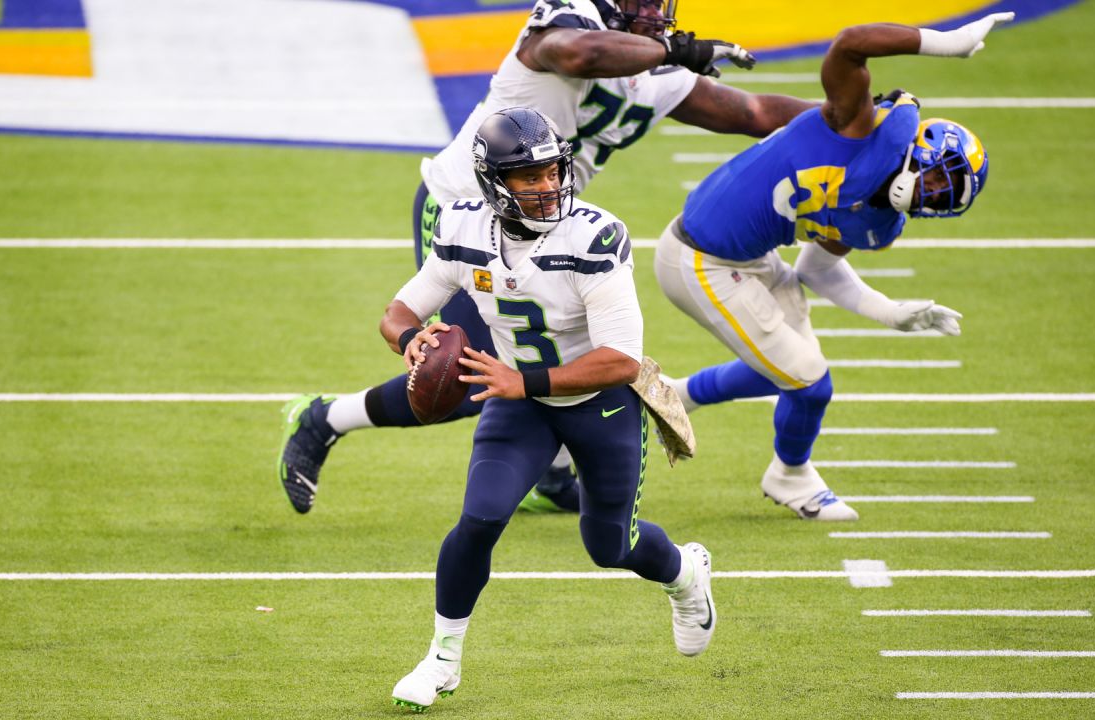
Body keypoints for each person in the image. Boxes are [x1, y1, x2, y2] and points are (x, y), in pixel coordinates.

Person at [278, 0, 818, 515]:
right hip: (468, 209)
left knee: (566, 342)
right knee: (469, 378)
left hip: (551, 225)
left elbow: (754, 112)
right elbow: (576, 54)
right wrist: (673, 51)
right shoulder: (570, 21)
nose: (655, 15)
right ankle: (324, 418)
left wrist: (856, 120)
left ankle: (551, 475)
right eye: (643, 3)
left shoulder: (654, 68)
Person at [383, 107, 715, 711]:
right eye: (527, 176)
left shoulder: (594, 235)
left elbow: (620, 360)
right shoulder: (463, 228)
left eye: (551, 171)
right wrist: (413, 342)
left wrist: (522, 379)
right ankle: (442, 660)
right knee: (480, 518)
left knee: (609, 547)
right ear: (492, 183)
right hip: (522, 405)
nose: (546, 186)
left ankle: (686, 575)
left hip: (601, 404)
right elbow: (400, 311)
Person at [653, 13, 1013, 522]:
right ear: (921, 153)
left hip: (751, 258)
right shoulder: (859, 125)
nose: (934, 198)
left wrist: (891, 312)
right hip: (699, 257)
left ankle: (672, 395)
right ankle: (790, 476)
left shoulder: (879, 219)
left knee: (789, 370)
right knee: (809, 380)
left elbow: (817, 269)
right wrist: (946, 43)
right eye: (938, 182)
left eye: (946, 198)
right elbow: (849, 44)